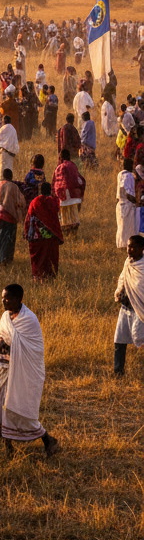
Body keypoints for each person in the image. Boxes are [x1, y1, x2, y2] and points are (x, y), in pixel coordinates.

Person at [0, 284, 60, 456]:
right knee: (3, 403)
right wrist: (1, 343)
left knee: (19, 408)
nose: (3, 302)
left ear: (18, 299)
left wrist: (9, 345)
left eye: (7, 299)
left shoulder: (29, 319)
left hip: (23, 371)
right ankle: (8, 447)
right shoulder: (6, 316)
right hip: (5, 369)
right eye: (2, 298)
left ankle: (47, 439)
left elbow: (29, 348)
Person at [114, 234, 144, 376]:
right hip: (126, 307)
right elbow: (123, 278)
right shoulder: (128, 262)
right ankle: (118, 372)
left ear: (142, 248)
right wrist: (119, 292)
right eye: (128, 246)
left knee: (139, 337)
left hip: (140, 309)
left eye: (133, 247)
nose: (129, 250)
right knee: (119, 339)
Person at [24, 181, 63, 280]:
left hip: (37, 237)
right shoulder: (53, 202)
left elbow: (29, 217)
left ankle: (38, 277)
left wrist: (26, 232)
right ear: (50, 191)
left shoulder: (35, 201)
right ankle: (50, 277)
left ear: (40, 190)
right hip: (51, 236)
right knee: (51, 257)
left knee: (38, 258)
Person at [0, 169, 27, 266]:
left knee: (1, 236)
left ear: (3, 176)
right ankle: (5, 259)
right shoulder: (14, 187)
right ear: (11, 177)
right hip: (10, 216)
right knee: (9, 238)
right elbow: (20, 202)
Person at [117, 157, 140, 250]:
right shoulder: (128, 176)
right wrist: (136, 201)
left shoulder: (120, 174)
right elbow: (127, 192)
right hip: (128, 205)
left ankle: (122, 245)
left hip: (120, 204)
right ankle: (126, 245)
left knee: (121, 227)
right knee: (128, 227)